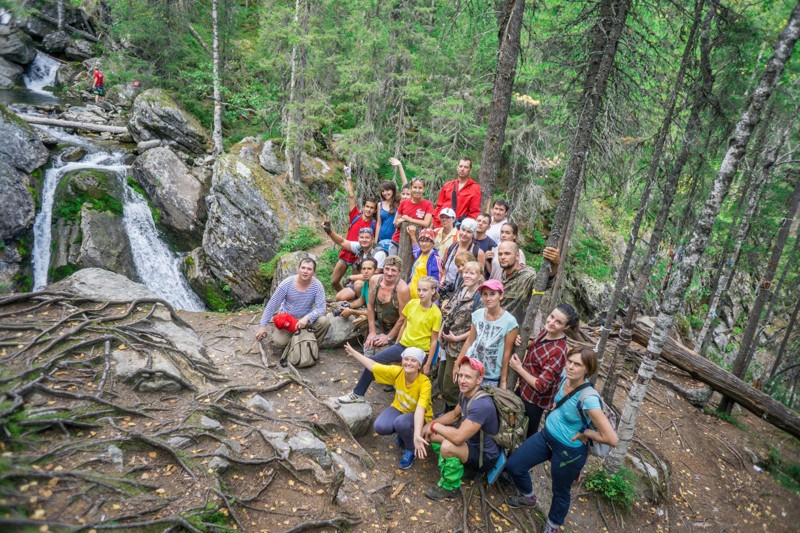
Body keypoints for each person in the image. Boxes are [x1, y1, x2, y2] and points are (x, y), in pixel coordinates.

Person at [504, 348, 618, 533]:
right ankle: (528, 497)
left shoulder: (589, 398)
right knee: (515, 465)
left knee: (560, 491)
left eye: (578, 364)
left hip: (569, 451)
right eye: (570, 361)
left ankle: (552, 525)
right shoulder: (565, 377)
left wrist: (587, 433)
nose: (571, 367)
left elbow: (612, 439)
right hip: (546, 436)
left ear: (587, 370)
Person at [338, 276, 441, 403]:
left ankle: (414, 404)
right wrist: (397, 343)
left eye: (424, 290)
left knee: (410, 373)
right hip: (404, 345)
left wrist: (428, 364)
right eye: (419, 290)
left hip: (420, 350)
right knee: (373, 362)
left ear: (433, 291)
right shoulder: (412, 304)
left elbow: (434, 341)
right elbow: (404, 324)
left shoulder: (436, 313)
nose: (420, 293)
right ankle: (358, 393)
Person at [343, 344, 433, 469]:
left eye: (413, 360)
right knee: (380, 426)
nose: (408, 363)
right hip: (399, 408)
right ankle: (404, 434)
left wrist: (417, 434)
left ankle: (410, 449)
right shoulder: (397, 372)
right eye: (406, 359)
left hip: (419, 417)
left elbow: (420, 409)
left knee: (401, 423)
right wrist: (354, 353)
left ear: (419, 365)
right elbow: (373, 366)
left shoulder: (424, 383)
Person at [421, 356, 499, 500]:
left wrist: (434, 425)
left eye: (468, 377)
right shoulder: (465, 393)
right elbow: (454, 415)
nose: (462, 380)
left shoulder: (481, 405)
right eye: (460, 375)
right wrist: (429, 425)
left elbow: (458, 438)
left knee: (448, 446)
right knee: (431, 435)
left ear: (479, 380)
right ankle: (454, 464)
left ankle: (450, 488)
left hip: (484, 456)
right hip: (470, 444)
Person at [508, 303, 579, 436]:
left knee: (525, 435)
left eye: (558, 322)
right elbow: (537, 350)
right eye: (551, 317)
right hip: (523, 389)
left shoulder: (559, 351)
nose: (551, 322)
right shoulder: (546, 332)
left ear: (566, 327)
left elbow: (541, 385)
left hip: (534, 402)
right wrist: (522, 342)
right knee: (510, 425)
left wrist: (519, 368)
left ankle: (518, 456)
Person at [256, 258, 331, 357]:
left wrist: (307, 318)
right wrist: (262, 326)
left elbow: (321, 308)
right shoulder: (287, 283)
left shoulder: (317, 286)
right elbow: (272, 304)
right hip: (288, 319)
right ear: (298, 269)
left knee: (324, 321)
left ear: (313, 272)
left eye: (309, 269)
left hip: (306, 319)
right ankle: (298, 345)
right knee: (279, 342)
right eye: (303, 268)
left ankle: (311, 349)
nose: (305, 271)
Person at [438, 260, 483, 412]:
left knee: (452, 385)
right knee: (442, 382)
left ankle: (452, 415)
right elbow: (449, 310)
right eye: (466, 272)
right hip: (446, 342)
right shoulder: (461, 289)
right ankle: (446, 410)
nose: (468, 276)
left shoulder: (480, 298)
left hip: (459, 347)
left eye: (472, 273)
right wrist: (441, 331)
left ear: (479, 276)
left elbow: (476, 328)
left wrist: (456, 338)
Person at [456, 279, 518, 388]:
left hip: (491, 373)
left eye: (492, 294)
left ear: (501, 296)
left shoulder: (509, 321)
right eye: (485, 294)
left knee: (483, 403)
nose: (488, 298)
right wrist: (458, 363)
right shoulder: (477, 314)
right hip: (471, 368)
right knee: (466, 401)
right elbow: (470, 340)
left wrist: (503, 381)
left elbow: (506, 353)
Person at [330, 166, 378, 292]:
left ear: (374, 210)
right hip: (347, 252)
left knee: (356, 283)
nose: (368, 209)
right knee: (334, 281)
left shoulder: (374, 224)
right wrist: (348, 177)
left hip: (360, 257)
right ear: (363, 207)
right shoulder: (355, 215)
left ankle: (352, 302)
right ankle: (344, 297)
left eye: (371, 208)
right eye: (367, 207)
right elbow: (351, 196)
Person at [496, 241, 560, 325]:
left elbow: (541, 283)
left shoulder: (526, 276)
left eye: (507, 254)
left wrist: (555, 265)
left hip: (516, 330)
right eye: (500, 254)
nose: (502, 257)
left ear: (517, 256)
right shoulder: (504, 274)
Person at [359, 256, 409, 356]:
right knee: (368, 347)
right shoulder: (374, 280)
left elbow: (403, 317)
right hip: (380, 324)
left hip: (395, 328)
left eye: (393, 270)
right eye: (387, 269)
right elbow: (370, 305)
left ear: (399, 271)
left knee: (382, 354)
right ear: (383, 268)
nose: (389, 273)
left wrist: (389, 337)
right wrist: (372, 331)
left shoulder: (402, 289)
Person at [323, 221, 387, 292]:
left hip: (377, 286)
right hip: (365, 282)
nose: (364, 240)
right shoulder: (359, 247)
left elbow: (375, 274)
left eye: (367, 238)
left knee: (358, 284)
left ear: (372, 239)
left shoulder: (379, 253)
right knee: (341, 297)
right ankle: (352, 298)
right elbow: (342, 242)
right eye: (362, 237)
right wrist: (330, 232)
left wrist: (351, 277)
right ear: (358, 238)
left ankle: (363, 301)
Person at [440, 218, 485, 297]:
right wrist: (442, 280)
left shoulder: (478, 252)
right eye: (463, 230)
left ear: (473, 234)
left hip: (464, 294)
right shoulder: (451, 248)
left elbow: (480, 277)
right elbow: (444, 269)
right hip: (445, 289)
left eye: (469, 232)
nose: (464, 234)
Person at [391, 176, 434, 254]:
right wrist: (399, 222)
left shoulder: (428, 204)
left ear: (424, 189)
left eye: (420, 188)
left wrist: (409, 219)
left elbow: (426, 223)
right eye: (415, 187)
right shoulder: (404, 203)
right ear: (410, 188)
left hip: (417, 242)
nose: (417, 190)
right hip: (398, 240)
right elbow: (396, 224)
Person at [433, 159, 481, 227]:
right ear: (457, 168)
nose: (462, 169)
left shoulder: (474, 188)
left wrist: (465, 227)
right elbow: (439, 206)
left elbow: (474, 212)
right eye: (460, 166)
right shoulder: (448, 185)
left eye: (466, 167)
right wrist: (435, 222)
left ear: (470, 170)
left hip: (457, 227)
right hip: (440, 224)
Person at [374, 158, 408, 252]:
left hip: (394, 241)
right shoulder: (380, 204)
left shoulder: (399, 202)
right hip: (381, 240)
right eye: (383, 191)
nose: (385, 193)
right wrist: (375, 240)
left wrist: (400, 166)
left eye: (388, 190)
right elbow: (378, 224)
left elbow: (406, 186)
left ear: (393, 190)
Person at [407, 227, 441, 299]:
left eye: (427, 241)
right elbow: (415, 249)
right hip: (412, 297)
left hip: (423, 299)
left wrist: (431, 299)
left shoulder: (434, 258)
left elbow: (436, 281)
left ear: (432, 243)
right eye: (421, 241)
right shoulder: (420, 253)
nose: (424, 244)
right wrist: (412, 236)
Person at [474, 213, 497, 278]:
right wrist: (482, 257)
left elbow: (492, 271)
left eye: (484, 222)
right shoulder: (468, 238)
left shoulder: (492, 245)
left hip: (481, 279)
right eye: (478, 221)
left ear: (488, 227)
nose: (480, 223)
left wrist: (485, 260)